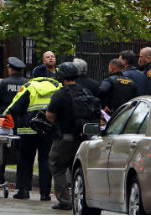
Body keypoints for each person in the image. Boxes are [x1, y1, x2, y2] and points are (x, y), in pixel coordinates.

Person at [4, 75, 61, 200]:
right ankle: (45, 194)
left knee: (25, 159)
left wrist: (3, 115)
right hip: (48, 129)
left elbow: (15, 107)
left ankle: (23, 191)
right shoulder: (57, 87)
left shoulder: (29, 87)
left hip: (27, 130)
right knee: (45, 160)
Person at [45, 62, 84, 210]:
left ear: (61, 76)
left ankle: (64, 201)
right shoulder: (85, 91)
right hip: (82, 138)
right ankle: (79, 198)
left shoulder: (60, 93)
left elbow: (49, 115)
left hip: (64, 137)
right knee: (77, 169)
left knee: (57, 166)